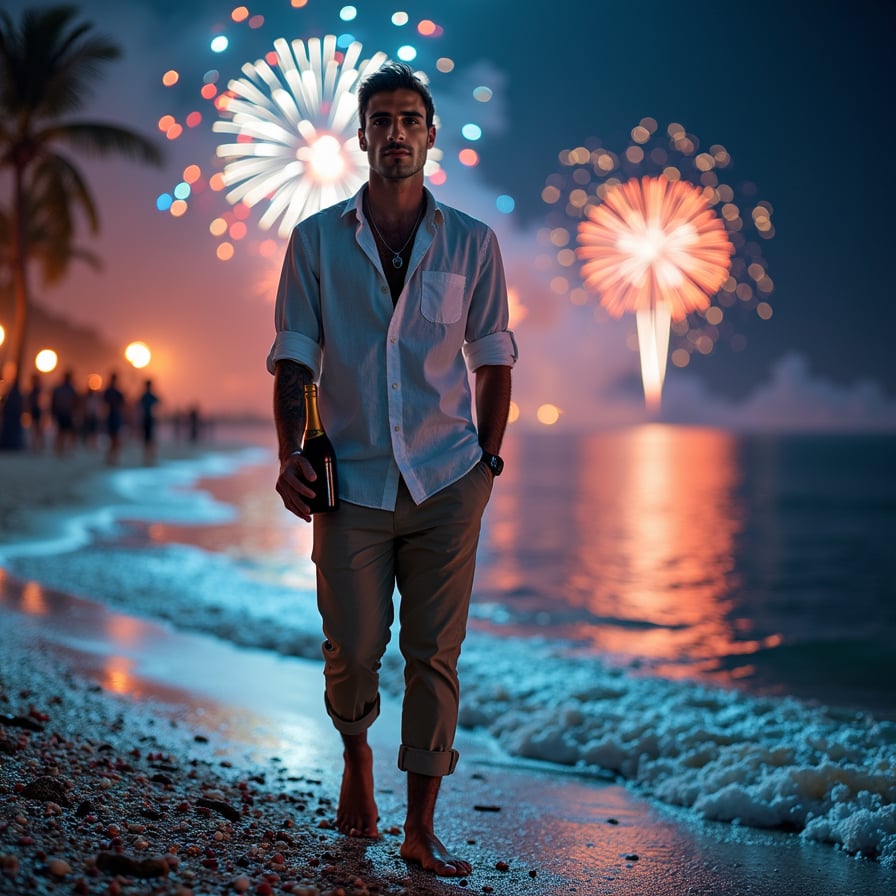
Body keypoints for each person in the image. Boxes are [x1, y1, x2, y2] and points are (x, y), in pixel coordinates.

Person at [268, 62, 517, 878]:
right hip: (353, 483)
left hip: (448, 482)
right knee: (352, 649)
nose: (397, 133)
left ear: (431, 135)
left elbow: (493, 358)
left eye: (411, 119)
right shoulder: (314, 242)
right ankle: (355, 752)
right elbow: (294, 361)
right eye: (382, 120)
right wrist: (290, 455)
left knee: (434, 654)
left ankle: (420, 827)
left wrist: (486, 462)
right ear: (362, 135)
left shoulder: (473, 243)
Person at [50, 369, 78, 456]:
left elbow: (75, 402)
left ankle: (63, 449)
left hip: (66, 413)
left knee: (65, 432)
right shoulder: (66, 389)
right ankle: (60, 449)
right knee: (62, 432)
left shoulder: (69, 389)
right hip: (63, 413)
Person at [103, 371, 126, 465]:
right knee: (114, 438)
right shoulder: (113, 392)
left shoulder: (111, 391)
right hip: (113, 417)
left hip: (113, 416)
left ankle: (112, 457)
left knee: (114, 438)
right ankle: (112, 457)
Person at [138, 379, 160, 463]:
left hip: (148, 418)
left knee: (149, 437)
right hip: (147, 418)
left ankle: (149, 455)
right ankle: (149, 455)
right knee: (148, 437)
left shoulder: (146, 395)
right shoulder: (147, 395)